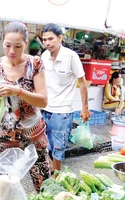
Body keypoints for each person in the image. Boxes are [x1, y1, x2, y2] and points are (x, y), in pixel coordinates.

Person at [0, 21, 50, 192]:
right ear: (3, 42)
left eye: (18, 46)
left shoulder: (35, 64)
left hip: (34, 134)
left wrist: (18, 91)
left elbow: (43, 100)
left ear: (26, 44)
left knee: (43, 181)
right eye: (7, 45)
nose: (12, 51)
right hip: (5, 137)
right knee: (7, 184)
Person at [40, 23, 90, 174]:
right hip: (44, 109)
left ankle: (57, 176)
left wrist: (85, 108)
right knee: (43, 145)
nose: (47, 43)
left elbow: (83, 83)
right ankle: (50, 171)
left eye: (51, 39)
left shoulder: (71, 56)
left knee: (58, 147)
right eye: (44, 40)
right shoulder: (44, 56)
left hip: (62, 111)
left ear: (60, 38)